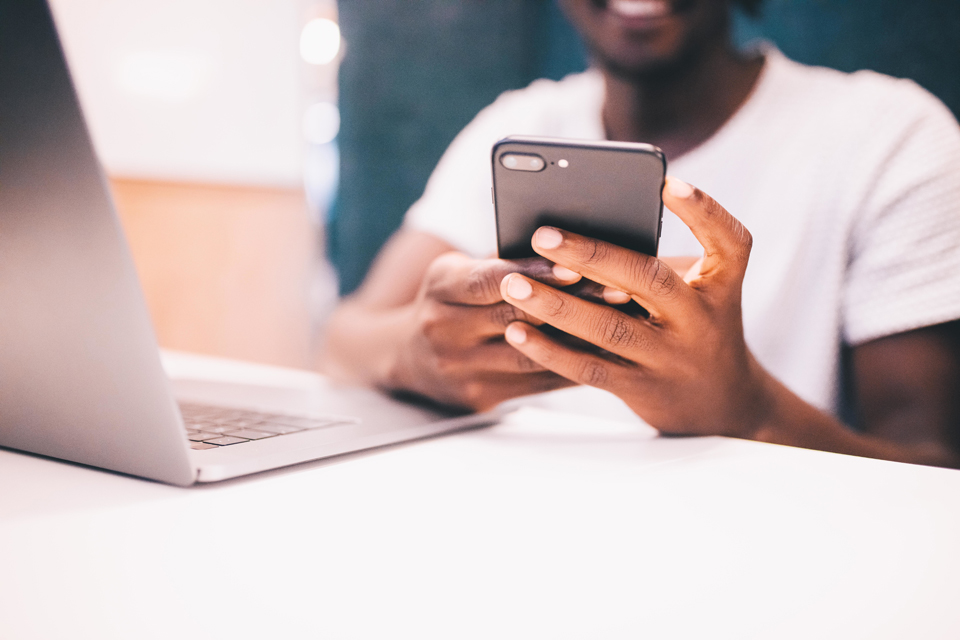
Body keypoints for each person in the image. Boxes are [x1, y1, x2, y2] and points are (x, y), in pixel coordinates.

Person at [322, 0, 960, 467]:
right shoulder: (518, 125)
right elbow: (344, 341)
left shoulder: (891, 136)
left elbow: (932, 464)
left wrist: (747, 409)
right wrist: (417, 352)